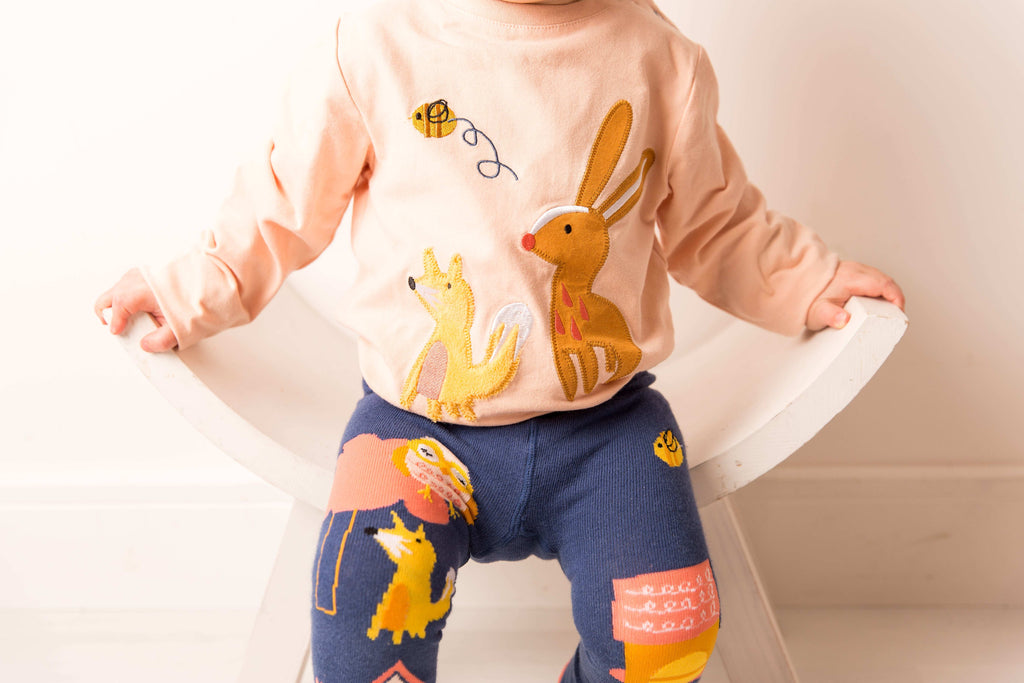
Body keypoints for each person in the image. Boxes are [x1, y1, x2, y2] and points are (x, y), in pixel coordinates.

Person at [94, 0, 905, 681]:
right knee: (361, 634)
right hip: (413, 427)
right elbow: (280, 207)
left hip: (606, 428)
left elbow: (715, 224)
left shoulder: (657, 55)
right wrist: (184, 288)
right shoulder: (376, 48)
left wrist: (807, 280)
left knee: (671, 625)